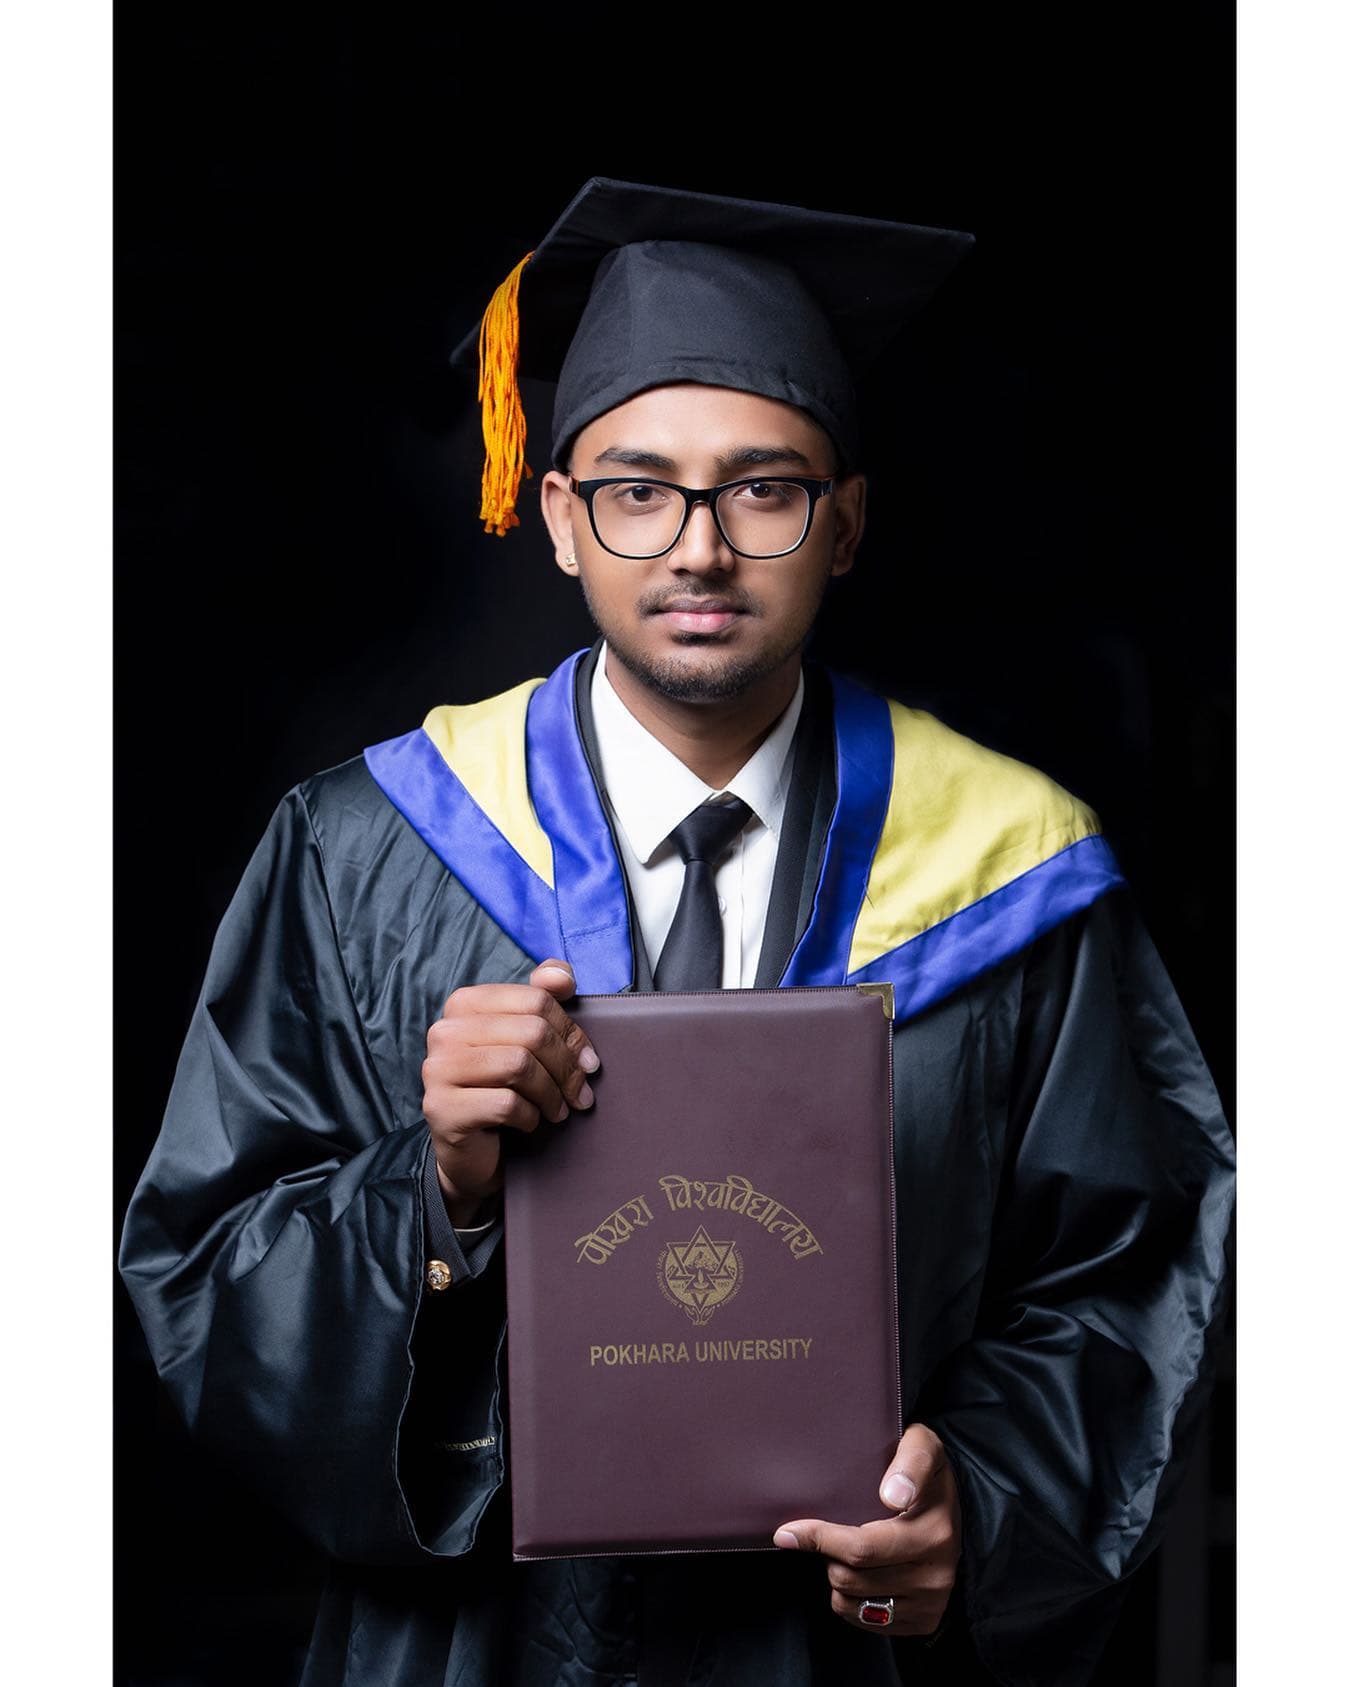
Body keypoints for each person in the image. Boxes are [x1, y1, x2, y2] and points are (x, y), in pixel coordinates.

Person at [118, 179, 1235, 1686]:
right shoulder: (364, 845)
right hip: (467, 1654)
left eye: (761, 488)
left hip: (838, 1653)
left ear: (843, 526)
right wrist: (433, 1191)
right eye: (639, 491)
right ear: (562, 521)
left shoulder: (1012, 869)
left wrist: (974, 1502)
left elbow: (1131, 1270)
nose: (697, 548)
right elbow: (205, 1261)